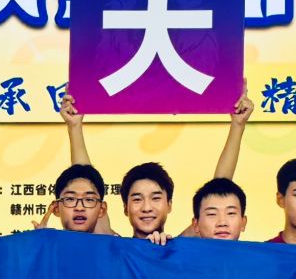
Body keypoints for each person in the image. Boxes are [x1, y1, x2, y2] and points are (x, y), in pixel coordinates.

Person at [58, 91, 252, 240]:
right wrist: (74, 127)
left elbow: (219, 189)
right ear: (125, 207)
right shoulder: (114, 247)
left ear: (169, 205)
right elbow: (85, 181)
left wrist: (238, 126)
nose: (147, 207)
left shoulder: (180, 247)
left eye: (156, 198)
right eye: (137, 199)